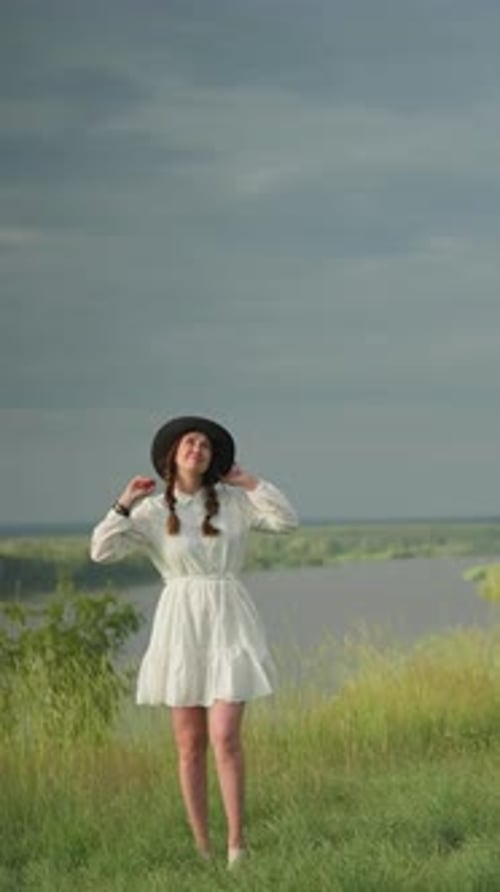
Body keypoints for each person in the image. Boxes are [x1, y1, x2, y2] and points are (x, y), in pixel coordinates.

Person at [90, 415, 298, 867]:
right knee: (189, 745)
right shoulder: (149, 511)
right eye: (190, 442)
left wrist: (251, 481)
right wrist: (124, 501)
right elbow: (101, 550)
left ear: (212, 458)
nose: (197, 448)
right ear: (174, 454)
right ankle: (202, 849)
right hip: (181, 623)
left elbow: (286, 521)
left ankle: (237, 846)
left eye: (205, 445)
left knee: (225, 737)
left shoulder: (234, 501)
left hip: (227, 617)